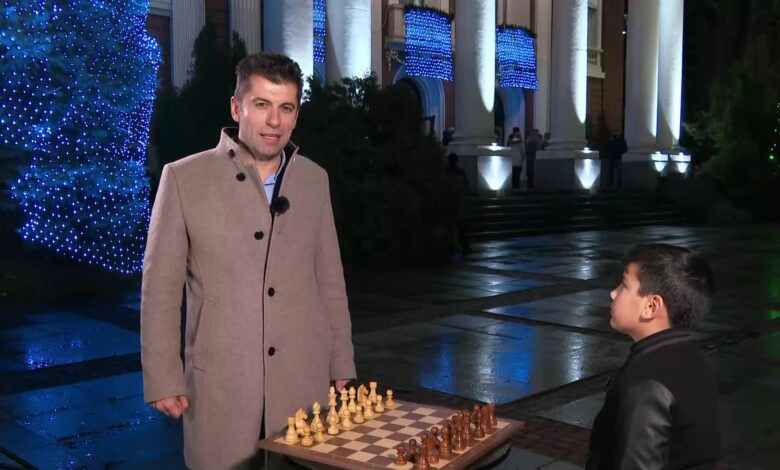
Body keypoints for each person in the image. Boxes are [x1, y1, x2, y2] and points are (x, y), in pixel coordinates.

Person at [141, 52, 356, 470]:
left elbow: (329, 279)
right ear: (237, 108)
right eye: (262, 105)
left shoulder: (314, 179)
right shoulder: (183, 178)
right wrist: (163, 376)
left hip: (302, 379)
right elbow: (160, 289)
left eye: (286, 108)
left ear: (296, 116)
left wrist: (341, 359)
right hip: (221, 383)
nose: (274, 121)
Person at [587, 244, 720, 470]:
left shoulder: (647, 386)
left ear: (651, 306)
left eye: (624, 285)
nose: (613, 293)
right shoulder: (689, 354)